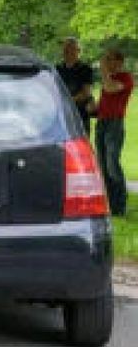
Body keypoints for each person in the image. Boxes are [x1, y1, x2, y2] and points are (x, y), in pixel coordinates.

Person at [95, 48, 132, 216]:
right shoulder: (108, 79)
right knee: (102, 165)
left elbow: (110, 89)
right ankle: (109, 205)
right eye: (106, 59)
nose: (107, 63)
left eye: (110, 59)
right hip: (102, 124)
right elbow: (104, 101)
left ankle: (120, 205)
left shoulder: (126, 78)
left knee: (112, 165)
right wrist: (93, 107)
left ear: (119, 62)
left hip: (114, 126)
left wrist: (103, 71)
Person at [56, 36, 95, 135]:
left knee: (81, 144)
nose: (67, 52)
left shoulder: (85, 69)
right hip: (62, 115)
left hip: (80, 115)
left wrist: (69, 100)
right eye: (65, 49)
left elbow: (86, 93)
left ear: (78, 51)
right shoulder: (57, 69)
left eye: (71, 49)